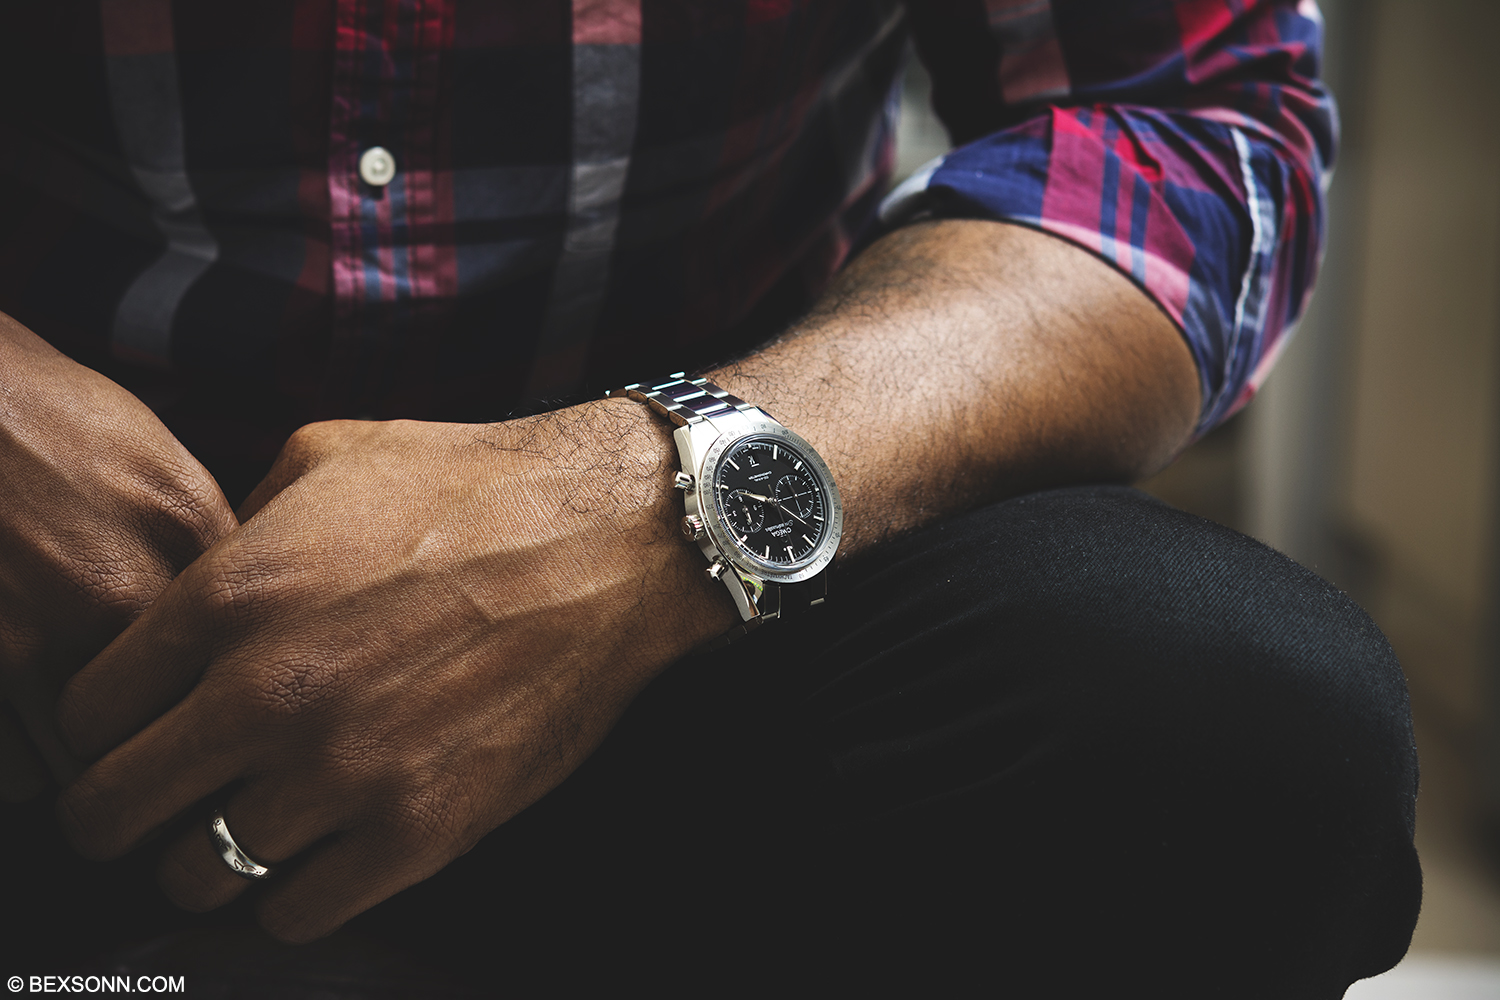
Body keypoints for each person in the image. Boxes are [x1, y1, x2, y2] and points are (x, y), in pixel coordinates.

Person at [0, 0, 1418, 995]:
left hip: (698, 635)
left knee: (1224, 722)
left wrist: (657, 501)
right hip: (56, 677)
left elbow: (1189, 119)